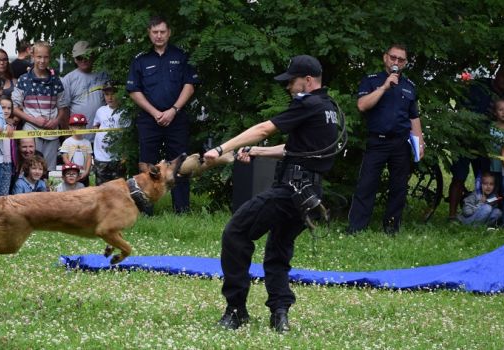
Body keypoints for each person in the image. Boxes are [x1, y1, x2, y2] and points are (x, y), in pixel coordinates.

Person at [202, 55, 340, 333]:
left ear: (308, 80)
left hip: (290, 191)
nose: (289, 87)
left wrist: (220, 149)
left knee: (236, 233)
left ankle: (236, 310)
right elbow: (294, 149)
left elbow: (264, 128)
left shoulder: (308, 104)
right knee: (278, 250)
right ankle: (280, 314)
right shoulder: (329, 108)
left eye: (292, 81)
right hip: (310, 194)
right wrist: (255, 152)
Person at [347, 44, 424, 234]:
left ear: (405, 63)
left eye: (401, 59)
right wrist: (384, 87)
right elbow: (362, 105)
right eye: (393, 57)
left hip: (400, 143)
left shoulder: (409, 87)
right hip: (377, 142)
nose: (396, 62)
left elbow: (413, 117)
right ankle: (356, 228)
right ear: (385, 58)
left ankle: (391, 228)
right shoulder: (371, 81)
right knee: (366, 184)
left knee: (398, 187)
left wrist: (420, 141)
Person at [127, 15, 199, 214]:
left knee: (180, 165)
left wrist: (173, 110)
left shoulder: (182, 56)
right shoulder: (140, 60)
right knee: (147, 165)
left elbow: (190, 86)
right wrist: (156, 112)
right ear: (149, 34)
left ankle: (182, 210)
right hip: (149, 119)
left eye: (162, 32)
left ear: (169, 33)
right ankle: (145, 210)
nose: (159, 36)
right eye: (155, 32)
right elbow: (134, 91)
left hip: (176, 118)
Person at [448, 65, 504, 221]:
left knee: (487, 180)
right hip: (464, 141)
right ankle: (452, 215)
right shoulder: (479, 86)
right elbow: (461, 106)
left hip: (486, 147)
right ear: (497, 74)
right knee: (459, 178)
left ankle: (484, 213)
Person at [12, 41, 68, 172]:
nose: (42, 60)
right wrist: (33, 120)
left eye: (45, 57)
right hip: (31, 131)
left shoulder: (56, 81)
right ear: (33, 56)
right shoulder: (24, 80)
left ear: (49, 58)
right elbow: (14, 108)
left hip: (52, 132)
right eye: (39, 57)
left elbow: (62, 107)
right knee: (29, 169)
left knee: (49, 170)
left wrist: (56, 121)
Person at [61, 41, 109, 143]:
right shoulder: (68, 80)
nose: (83, 60)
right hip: (78, 138)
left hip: (103, 136)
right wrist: (68, 138)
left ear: (92, 55)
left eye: (86, 56)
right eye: (79, 58)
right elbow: (64, 110)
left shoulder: (104, 74)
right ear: (74, 59)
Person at [93, 81, 128, 185]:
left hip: (118, 158)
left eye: (113, 94)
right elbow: (95, 125)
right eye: (107, 94)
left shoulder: (124, 112)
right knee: (101, 188)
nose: (110, 97)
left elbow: (127, 135)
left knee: (118, 187)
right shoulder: (100, 110)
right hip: (101, 157)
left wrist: (124, 155)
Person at [59, 114, 93, 187]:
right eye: (76, 126)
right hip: (71, 174)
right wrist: (74, 168)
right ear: (70, 127)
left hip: (84, 174)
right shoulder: (67, 141)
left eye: (82, 126)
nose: (79, 128)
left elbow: (89, 158)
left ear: (85, 128)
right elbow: (64, 158)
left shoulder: (87, 142)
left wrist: (86, 172)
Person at [489, 98, 504, 194]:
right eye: (501, 110)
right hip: (493, 165)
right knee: (494, 189)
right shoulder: (491, 127)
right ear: (495, 112)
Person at [0, 95, 16, 196]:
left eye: (9, 108)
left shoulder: (11, 126)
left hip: (8, 163)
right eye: (3, 107)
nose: (6, 111)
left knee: (4, 193)